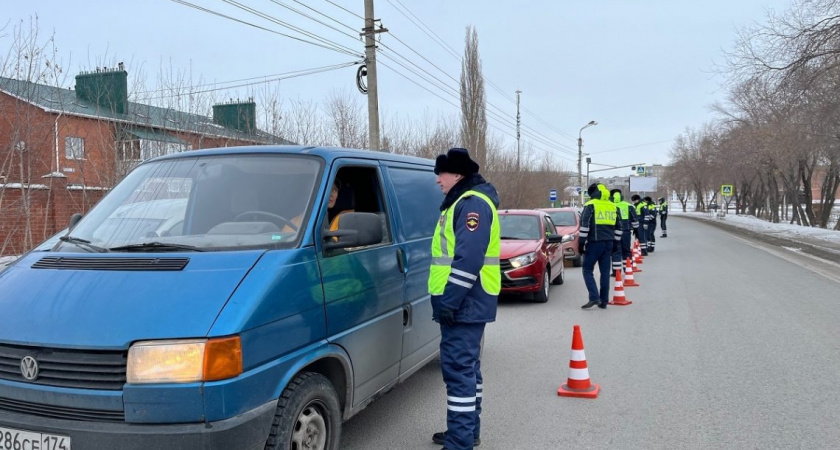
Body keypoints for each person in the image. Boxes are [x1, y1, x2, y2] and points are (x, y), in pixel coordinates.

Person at [428, 147, 501, 450]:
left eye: (440, 174)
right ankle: (466, 432)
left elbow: (468, 260)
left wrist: (449, 302)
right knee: (468, 370)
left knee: (459, 372)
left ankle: (459, 442)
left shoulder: (471, 204)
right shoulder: (462, 202)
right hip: (467, 302)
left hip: (464, 303)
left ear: (457, 175)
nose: (437, 181)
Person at [579, 183, 622, 309]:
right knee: (605, 272)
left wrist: (581, 243)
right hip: (609, 243)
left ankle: (594, 297)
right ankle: (604, 301)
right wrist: (616, 243)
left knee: (587, 269)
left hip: (594, 242)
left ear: (592, 193)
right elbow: (619, 227)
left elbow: (584, 225)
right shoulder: (613, 206)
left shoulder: (590, 205)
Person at [610, 189, 638, 272]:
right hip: (626, 231)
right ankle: (628, 269)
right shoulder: (629, 205)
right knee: (626, 250)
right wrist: (636, 231)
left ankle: (616, 271)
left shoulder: (609, 205)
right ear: (621, 196)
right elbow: (635, 220)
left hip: (613, 232)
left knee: (615, 251)